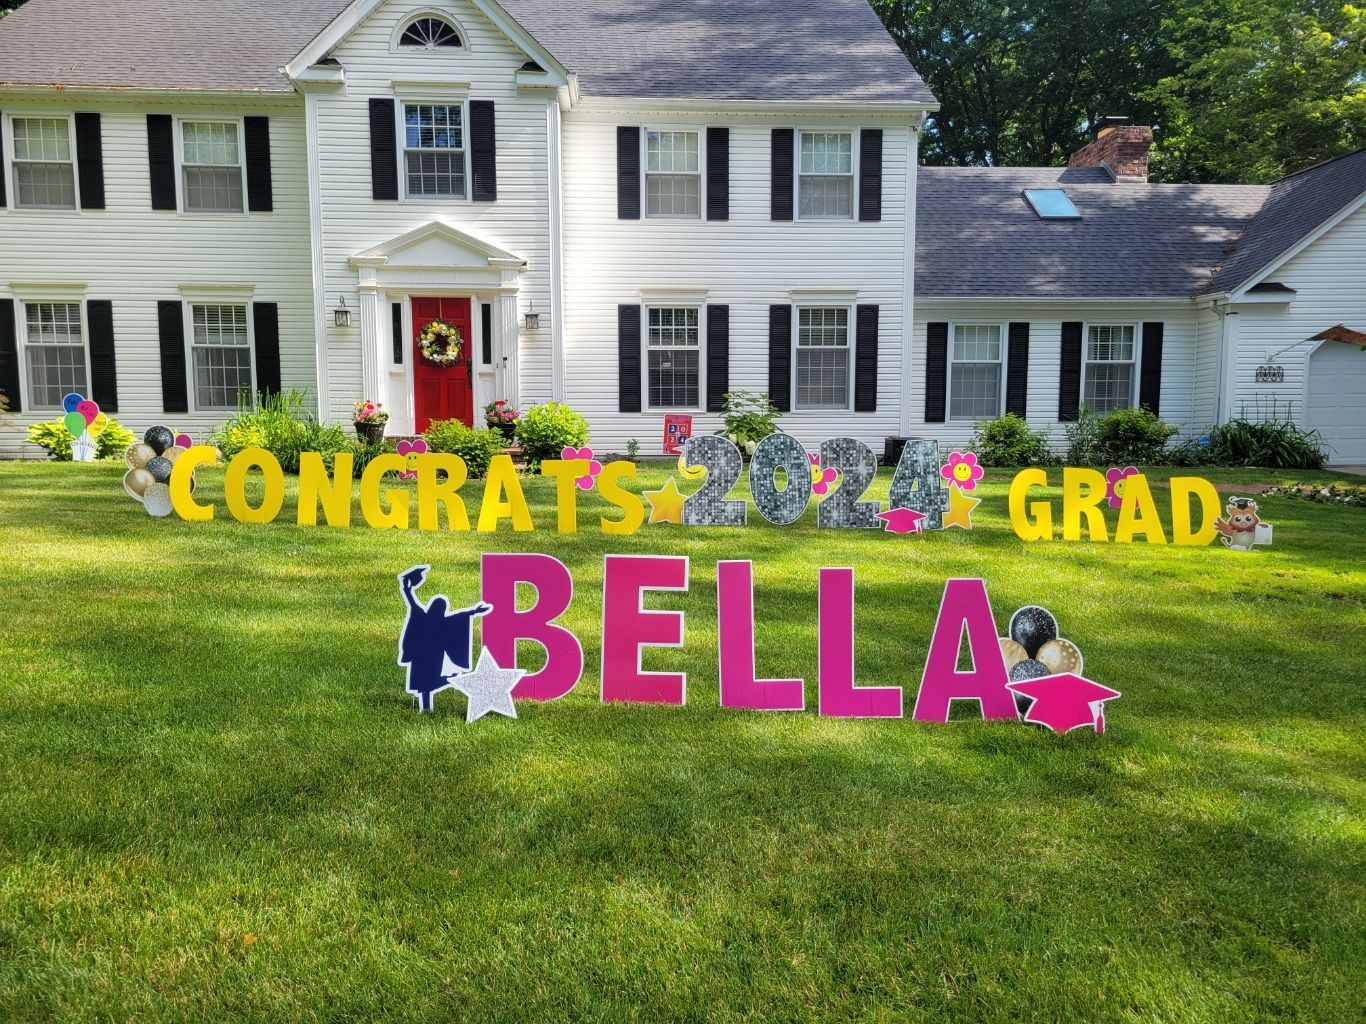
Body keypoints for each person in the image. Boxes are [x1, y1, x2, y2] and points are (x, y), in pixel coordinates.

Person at [397, 565, 492, 711]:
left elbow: (460, 616)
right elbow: (411, 601)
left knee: (426, 686)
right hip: (426, 658)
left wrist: (474, 611)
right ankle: (446, 686)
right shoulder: (424, 617)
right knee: (425, 686)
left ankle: (446, 684)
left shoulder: (426, 617)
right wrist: (474, 611)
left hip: (430, 659)